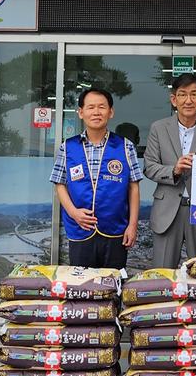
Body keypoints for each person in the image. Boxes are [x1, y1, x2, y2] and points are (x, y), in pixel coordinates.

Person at [50, 87, 142, 268]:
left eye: (102, 107)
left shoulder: (125, 146)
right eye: (91, 107)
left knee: (113, 285)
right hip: (80, 228)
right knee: (82, 287)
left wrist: (132, 226)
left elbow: (133, 187)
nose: (96, 112)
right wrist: (74, 213)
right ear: (81, 112)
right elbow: (60, 184)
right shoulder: (68, 147)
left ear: (111, 112)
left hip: (115, 229)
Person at [143, 73, 196, 268]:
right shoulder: (158, 128)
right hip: (167, 210)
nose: (188, 100)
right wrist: (174, 169)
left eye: (193, 94)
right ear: (174, 100)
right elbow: (150, 167)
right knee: (163, 273)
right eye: (182, 95)